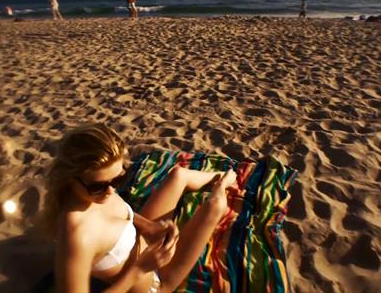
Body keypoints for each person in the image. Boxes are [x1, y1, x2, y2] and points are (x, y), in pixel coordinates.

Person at [44, 123, 238, 293]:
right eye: (98, 186)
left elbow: (115, 215)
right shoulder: (77, 234)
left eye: (119, 179)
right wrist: (140, 269)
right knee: (215, 205)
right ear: (70, 178)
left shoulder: (94, 193)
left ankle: (223, 176)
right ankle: (223, 184)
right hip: (156, 282)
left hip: (150, 244)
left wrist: (148, 225)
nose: (111, 192)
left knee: (178, 175)